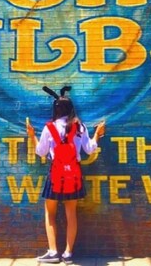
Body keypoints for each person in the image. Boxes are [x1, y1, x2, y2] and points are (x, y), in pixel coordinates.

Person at [26, 85, 106, 264]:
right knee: (71, 214)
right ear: (71, 109)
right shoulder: (80, 127)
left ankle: (53, 252)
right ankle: (68, 254)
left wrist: (32, 135)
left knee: (50, 213)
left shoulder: (49, 128)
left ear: (56, 110)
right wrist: (97, 134)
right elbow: (90, 149)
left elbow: (41, 152)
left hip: (56, 175)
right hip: (73, 175)